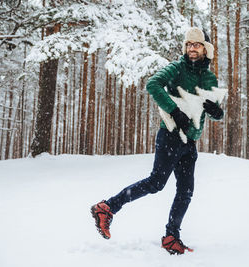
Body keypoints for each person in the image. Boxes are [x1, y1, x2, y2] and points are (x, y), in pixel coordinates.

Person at [91, 27, 224, 255]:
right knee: (156, 183)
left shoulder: (209, 77)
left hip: (189, 141)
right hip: (170, 135)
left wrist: (216, 112)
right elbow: (152, 84)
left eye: (197, 44)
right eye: (189, 44)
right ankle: (107, 207)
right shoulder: (177, 67)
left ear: (206, 49)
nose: (192, 47)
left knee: (185, 192)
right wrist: (174, 111)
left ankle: (172, 236)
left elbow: (211, 109)